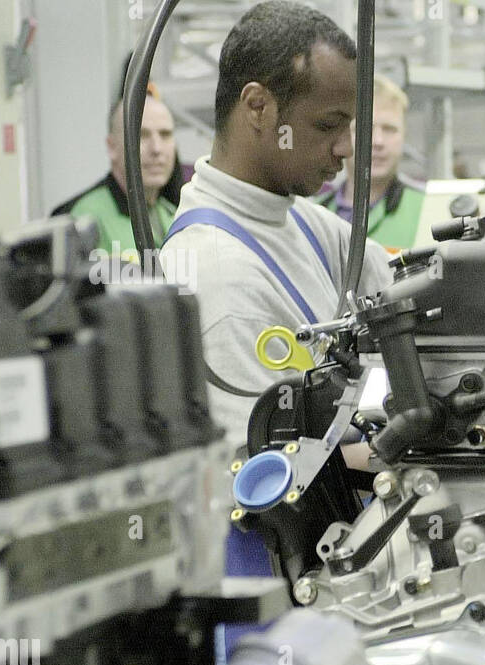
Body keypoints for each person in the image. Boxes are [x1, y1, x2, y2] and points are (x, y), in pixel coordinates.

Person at [160, 0, 393, 447]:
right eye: (328, 125)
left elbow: (404, 296)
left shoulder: (302, 220)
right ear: (258, 107)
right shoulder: (218, 277)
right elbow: (271, 477)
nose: (346, 148)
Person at [51, 91, 178, 262]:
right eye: (141, 135)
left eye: (165, 134)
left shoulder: (173, 214)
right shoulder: (82, 218)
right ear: (112, 147)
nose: (157, 148)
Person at [315, 74, 424, 252]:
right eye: (365, 128)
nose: (378, 141)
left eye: (390, 129)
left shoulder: (428, 208)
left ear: (404, 135)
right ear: (342, 134)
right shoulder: (313, 213)